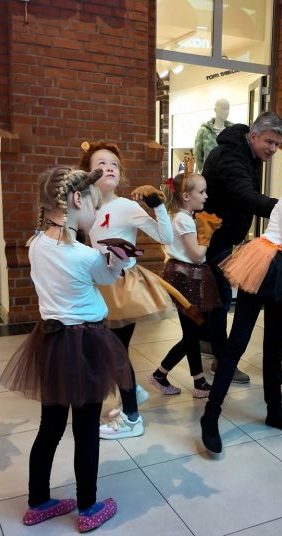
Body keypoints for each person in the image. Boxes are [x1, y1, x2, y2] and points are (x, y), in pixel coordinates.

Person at [0, 167, 129, 532]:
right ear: (76, 200)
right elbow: (107, 277)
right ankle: (88, 509)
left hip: (52, 343)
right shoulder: (82, 255)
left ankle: (38, 502)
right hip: (87, 344)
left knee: (51, 426)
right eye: (94, 205)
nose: (96, 213)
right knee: (86, 429)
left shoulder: (35, 244)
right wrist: (120, 259)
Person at [199, 146, 282, 454]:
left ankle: (275, 412)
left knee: (275, 346)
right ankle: (211, 415)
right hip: (265, 264)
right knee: (237, 343)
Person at [82, 141, 174, 440]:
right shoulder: (87, 208)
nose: (109, 168)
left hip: (122, 286)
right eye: (101, 163)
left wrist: (157, 205)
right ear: (88, 174)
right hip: (98, 284)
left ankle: (132, 416)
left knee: (116, 351)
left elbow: (165, 237)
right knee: (106, 350)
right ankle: (132, 392)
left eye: (114, 164)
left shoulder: (127, 206)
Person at [200, 111, 282, 385]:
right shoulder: (232, 155)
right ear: (253, 136)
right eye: (269, 142)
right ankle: (221, 358)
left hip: (221, 234)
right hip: (213, 234)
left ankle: (208, 340)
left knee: (218, 294)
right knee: (222, 297)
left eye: (277, 144)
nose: (273, 149)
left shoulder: (248, 153)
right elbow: (245, 196)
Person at [149, 170, 222, 398]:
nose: (206, 196)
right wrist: (207, 232)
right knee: (193, 332)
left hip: (182, 275)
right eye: (202, 192)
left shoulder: (178, 216)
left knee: (193, 331)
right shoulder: (184, 220)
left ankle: (198, 381)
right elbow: (198, 256)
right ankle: (161, 374)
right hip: (187, 277)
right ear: (187, 196)